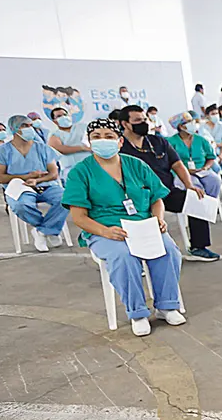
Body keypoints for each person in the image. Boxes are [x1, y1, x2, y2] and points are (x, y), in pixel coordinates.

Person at [63, 118, 185, 337]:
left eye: (109, 137)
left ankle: (166, 305)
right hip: (105, 229)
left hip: (142, 225)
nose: (103, 141)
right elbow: (79, 217)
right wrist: (105, 232)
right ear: (89, 143)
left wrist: (158, 219)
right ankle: (137, 313)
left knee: (169, 251)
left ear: (120, 141)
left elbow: (157, 198)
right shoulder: (80, 172)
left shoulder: (136, 164)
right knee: (124, 257)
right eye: (96, 137)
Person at [119, 106, 219, 262]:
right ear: (125, 124)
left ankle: (198, 247)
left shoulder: (158, 141)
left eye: (145, 120)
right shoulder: (119, 147)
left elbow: (177, 164)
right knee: (137, 218)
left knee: (197, 201)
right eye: (137, 121)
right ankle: (139, 256)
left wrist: (189, 186)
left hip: (165, 192)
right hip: (137, 198)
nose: (143, 123)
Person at [0, 115, 66, 251]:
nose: (29, 129)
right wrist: (26, 177)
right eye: (25, 126)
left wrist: (37, 180)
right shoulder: (2, 151)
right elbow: (0, 178)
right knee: (21, 205)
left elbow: (53, 173)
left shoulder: (42, 148)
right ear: (14, 129)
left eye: (30, 126)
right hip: (19, 188)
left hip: (45, 185)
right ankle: (47, 228)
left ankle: (43, 231)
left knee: (66, 198)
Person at [165, 111, 222, 201]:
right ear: (181, 126)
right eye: (189, 122)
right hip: (182, 173)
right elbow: (167, 161)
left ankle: (210, 205)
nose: (193, 124)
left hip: (201, 171)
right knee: (194, 186)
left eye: (192, 121)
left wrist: (205, 168)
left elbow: (211, 157)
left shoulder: (201, 139)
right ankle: (197, 212)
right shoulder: (170, 142)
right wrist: (185, 170)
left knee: (215, 181)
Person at [46, 105, 91, 183]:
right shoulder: (54, 135)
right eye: (59, 116)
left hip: (90, 165)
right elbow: (62, 149)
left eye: (65, 114)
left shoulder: (83, 127)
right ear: (54, 121)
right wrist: (83, 148)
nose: (63, 117)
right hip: (71, 170)